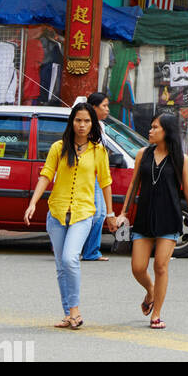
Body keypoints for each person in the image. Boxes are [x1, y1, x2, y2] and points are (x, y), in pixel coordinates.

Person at [23, 102, 120, 329]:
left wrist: (110, 214)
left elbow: (106, 184)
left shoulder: (99, 151)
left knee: (70, 259)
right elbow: (46, 175)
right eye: (78, 120)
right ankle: (69, 315)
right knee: (60, 266)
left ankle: (75, 310)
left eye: (87, 121)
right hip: (56, 212)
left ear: (92, 124)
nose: (82, 125)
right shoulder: (58, 147)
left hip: (83, 213)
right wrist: (32, 203)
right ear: (72, 122)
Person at [120, 113, 188, 329]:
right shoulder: (142, 154)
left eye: (155, 127)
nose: (150, 130)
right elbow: (133, 185)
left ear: (166, 131)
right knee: (138, 267)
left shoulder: (181, 159)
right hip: (145, 216)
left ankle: (156, 313)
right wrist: (123, 213)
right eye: (151, 126)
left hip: (169, 217)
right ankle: (150, 290)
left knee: (160, 265)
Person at [80, 91, 113, 262]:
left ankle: (90, 250)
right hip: (90, 177)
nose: (108, 109)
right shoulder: (88, 128)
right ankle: (88, 250)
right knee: (97, 213)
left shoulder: (101, 126)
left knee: (98, 214)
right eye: (104, 106)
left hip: (99, 176)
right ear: (93, 107)